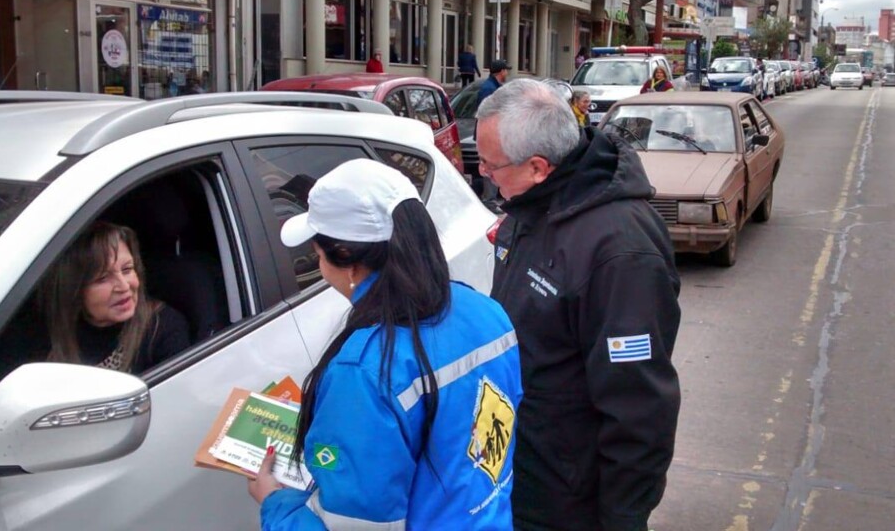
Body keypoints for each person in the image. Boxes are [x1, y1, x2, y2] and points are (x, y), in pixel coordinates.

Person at [249, 159, 523, 530]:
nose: (319, 264)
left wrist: (275, 503)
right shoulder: (486, 311)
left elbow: (351, 523)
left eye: (317, 254)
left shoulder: (366, 370)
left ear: (346, 259)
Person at [474, 79, 681, 531]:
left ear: (538, 167)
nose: (483, 174)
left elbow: (639, 407)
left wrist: (623, 519)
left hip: (568, 498)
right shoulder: (532, 206)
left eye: (490, 165)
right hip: (521, 470)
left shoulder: (620, 252)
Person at [40, 221, 190, 375]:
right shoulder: (55, 336)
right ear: (75, 290)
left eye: (127, 269)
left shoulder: (162, 329)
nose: (124, 286)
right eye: (103, 278)